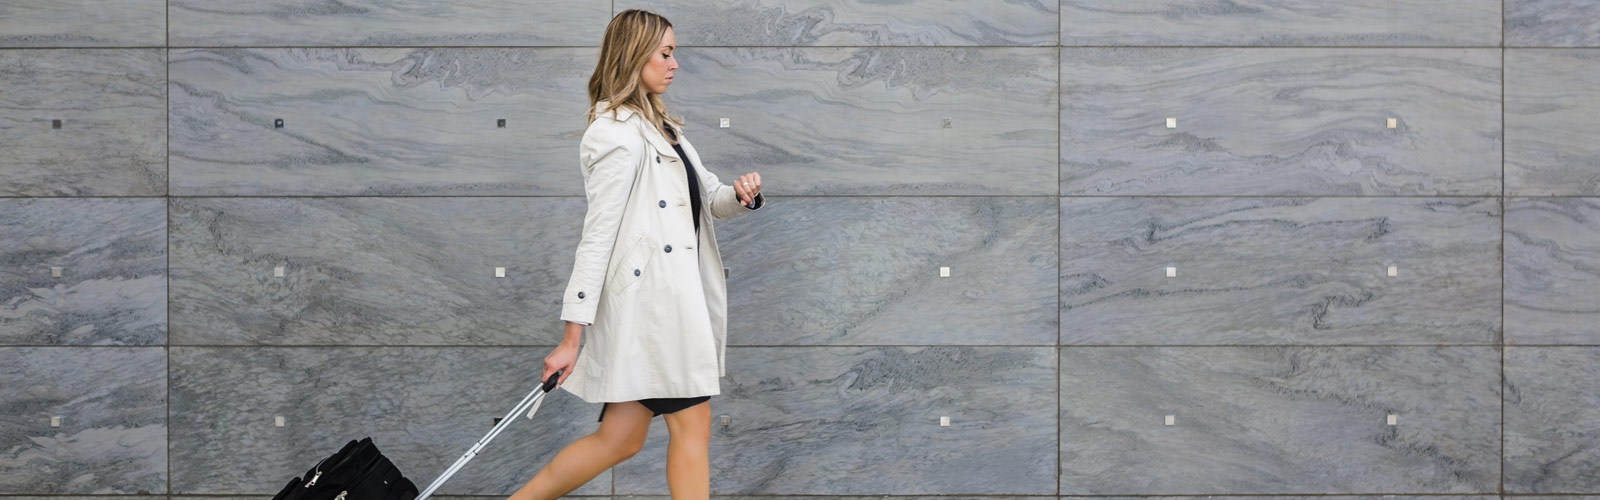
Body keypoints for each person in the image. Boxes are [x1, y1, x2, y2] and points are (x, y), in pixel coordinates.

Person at [506, 9, 765, 500]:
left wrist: (742, 193)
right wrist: (570, 337)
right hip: (654, 312)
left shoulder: (662, 126)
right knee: (694, 426)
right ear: (635, 54)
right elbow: (597, 237)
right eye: (666, 53)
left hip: (664, 308)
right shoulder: (616, 133)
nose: (675, 64)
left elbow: (710, 199)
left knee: (619, 440)